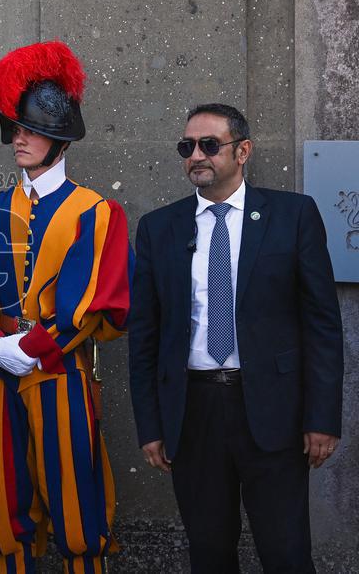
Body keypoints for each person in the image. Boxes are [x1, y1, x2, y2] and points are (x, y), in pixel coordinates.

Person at [128, 103, 344, 573]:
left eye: (210, 145)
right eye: (188, 147)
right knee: (209, 554)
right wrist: (151, 425)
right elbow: (144, 334)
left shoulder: (293, 215)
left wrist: (322, 417)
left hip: (274, 411)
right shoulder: (159, 229)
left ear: (242, 150)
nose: (196, 156)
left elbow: (323, 324)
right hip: (194, 412)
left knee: (286, 553)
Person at [0, 41, 132, 574]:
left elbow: (86, 303)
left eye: (31, 130)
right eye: (15, 128)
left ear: (60, 141)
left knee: (73, 489)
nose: (19, 140)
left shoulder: (95, 212)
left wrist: (28, 349)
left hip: (59, 368)